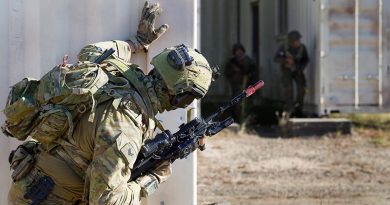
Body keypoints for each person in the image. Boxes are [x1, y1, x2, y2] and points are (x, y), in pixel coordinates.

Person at [6, 2, 214, 204]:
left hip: (28, 185)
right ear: (180, 97)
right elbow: (107, 201)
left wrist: (137, 42)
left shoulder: (109, 66)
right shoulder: (125, 127)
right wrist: (153, 179)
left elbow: (91, 51)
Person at [274, 30, 309, 117]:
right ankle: (289, 110)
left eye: (298, 40)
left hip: (298, 70)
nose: (297, 42)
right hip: (287, 70)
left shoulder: (302, 48)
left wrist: (301, 68)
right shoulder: (284, 47)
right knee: (288, 89)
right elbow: (276, 58)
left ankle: (299, 109)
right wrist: (285, 60)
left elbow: (306, 59)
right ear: (291, 41)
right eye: (296, 40)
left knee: (302, 89)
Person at [224, 43, 256, 123]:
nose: (238, 53)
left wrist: (244, 74)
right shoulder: (232, 61)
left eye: (240, 51)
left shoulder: (248, 60)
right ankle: (236, 119)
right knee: (235, 102)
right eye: (237, 51)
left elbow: (252, 72)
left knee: (246, 104)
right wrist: (234, 72)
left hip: (246, 85)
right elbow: (227, 72)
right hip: (235, 85)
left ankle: (246, 120)